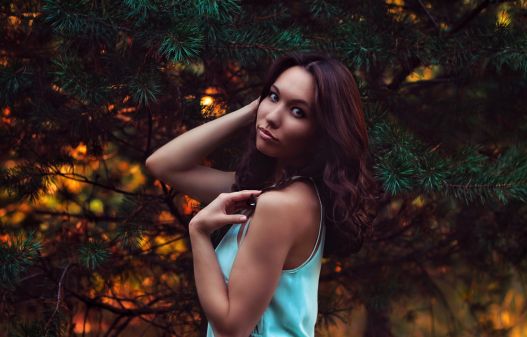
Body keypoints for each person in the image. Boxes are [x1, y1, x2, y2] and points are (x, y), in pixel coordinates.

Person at [145, 51, 380, 337]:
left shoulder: (281, 205)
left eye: (298, 111)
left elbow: (232, 328)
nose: (273, 117)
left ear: (322, 132)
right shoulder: (279, 192)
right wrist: (253, 111)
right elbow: (163, 164)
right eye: (273, 96)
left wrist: (199, 233)